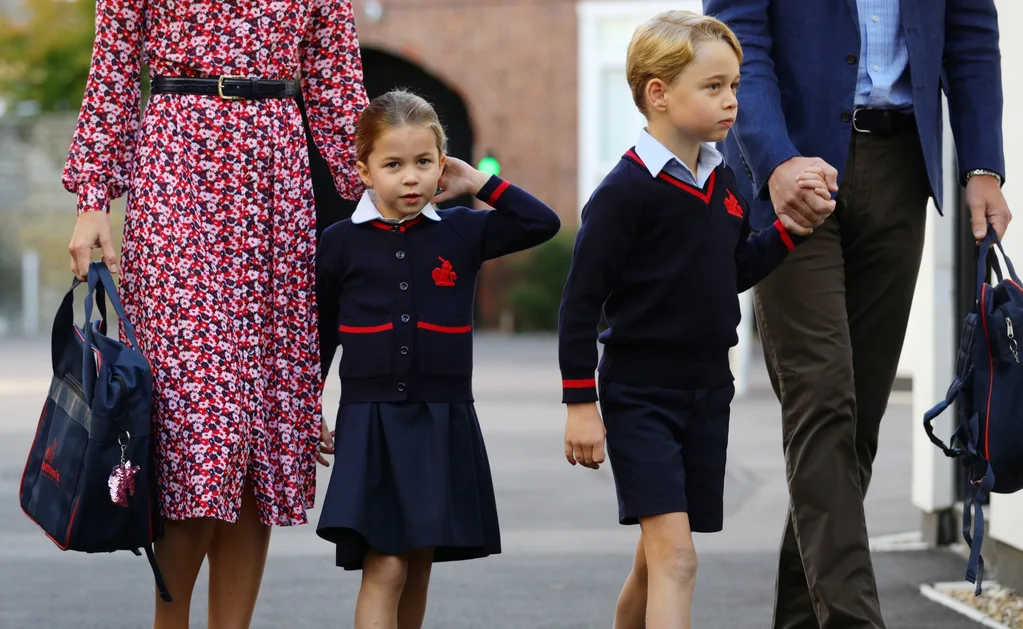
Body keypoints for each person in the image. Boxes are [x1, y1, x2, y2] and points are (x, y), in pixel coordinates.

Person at [701, 1, 1011, 627]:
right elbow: (741, 41)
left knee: (855, 422)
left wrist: (983, 165)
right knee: (821, 399)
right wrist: (774, 160)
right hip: (790, 169)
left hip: (900, 168)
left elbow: (972, 33)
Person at [62, 0, 368, 626]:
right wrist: (93, 198)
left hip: (275, 177)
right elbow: (116, 65)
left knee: (257, 429)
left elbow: (340, 88)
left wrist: (396, 191)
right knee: (193, 429)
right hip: (178, 167)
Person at [557, 12, 833, 629]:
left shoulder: (727, 182)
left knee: (656, 563)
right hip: (639, 398)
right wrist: (580, 402)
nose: (732, 100)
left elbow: (731, 269)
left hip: (708, 395)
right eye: (714, 87)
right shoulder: (623, 194)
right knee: (678, 559)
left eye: (734, 85)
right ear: (658, 92)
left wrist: (787, 231)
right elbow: (579, 305)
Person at [315, 89, 561, 629]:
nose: (410, 178)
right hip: (370, 419)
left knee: (419, 565)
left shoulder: (463, 231)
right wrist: (309, 407)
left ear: (442, 163)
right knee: (386, 566)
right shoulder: (339, 243)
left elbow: (541, 223)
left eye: (424, 163)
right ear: (363, 170)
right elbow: (324, 333)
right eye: (393, 164)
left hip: (440, 417)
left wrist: (477, 182)